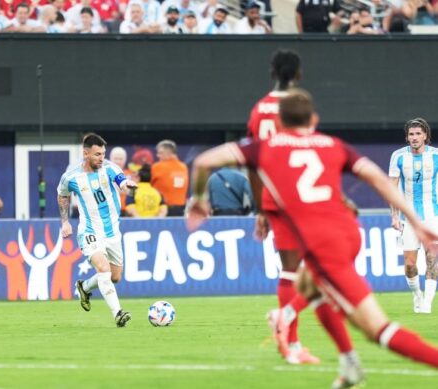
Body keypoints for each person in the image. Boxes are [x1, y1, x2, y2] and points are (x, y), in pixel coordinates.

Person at [188, 88, 438, 388]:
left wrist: (200, 199)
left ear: (280, 120)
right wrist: (415, 221)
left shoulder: (265, 147)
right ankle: (344, 360)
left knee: (377, 329)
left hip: (323, 244)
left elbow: (203, 162)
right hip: (348, 231)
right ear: (314, 119)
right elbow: (378, 179)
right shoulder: (333, 144)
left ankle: (292, 321)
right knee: (311, 286)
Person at [247, 49, 333, 365]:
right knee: (325, 268)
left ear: (272, 73)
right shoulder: (299, 107)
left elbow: (253, 163)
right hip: (303, 197)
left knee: (290, 270)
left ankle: (291, 340)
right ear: (298, 74)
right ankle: (290, 330)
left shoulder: (259, 110)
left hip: (274, 199)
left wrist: (260, 208)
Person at [58, 133, 137, 327]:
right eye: (97, 154)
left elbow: (121, 181)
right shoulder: (71, 177)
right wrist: (65, 222)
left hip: (112, 232)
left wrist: (128, 185)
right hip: (90, 231)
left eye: (103, 153)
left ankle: (84, 287)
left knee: (115, 276)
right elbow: (62, 196)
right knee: (103, 268)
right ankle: (118, 313)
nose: (101, 158)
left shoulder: (109, 168)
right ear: (85, 153)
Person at [389, 118, 438, 314]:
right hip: (409, 218)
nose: (415, 138)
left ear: (425, 135)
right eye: (411, 134)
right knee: (410, 265)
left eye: (418, 134)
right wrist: (394, 216)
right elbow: (392, 189)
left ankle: (427, 302)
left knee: (432, 258)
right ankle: (417, 294)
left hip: (433, 216)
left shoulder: (436, 156)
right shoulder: (398, 157)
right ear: (407, 137)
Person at [151, 139, 189, 216]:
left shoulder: (157, 167)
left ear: (169, 153)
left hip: (162, 210)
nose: (158, 155)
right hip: (180, 209)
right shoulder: (184, 167)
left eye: (160, 153)